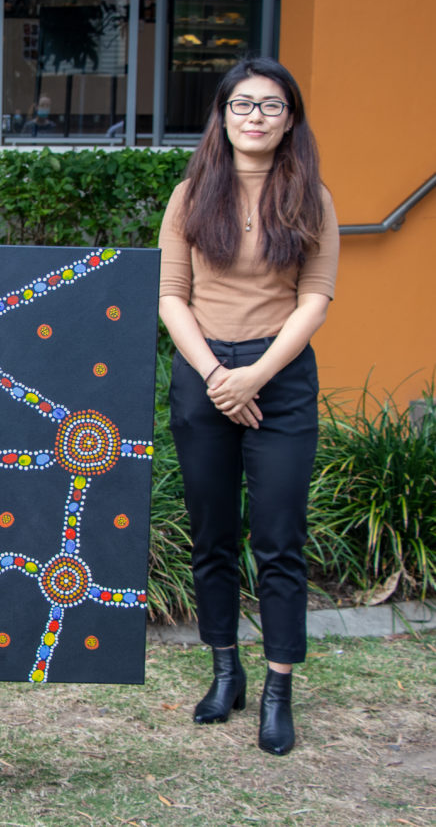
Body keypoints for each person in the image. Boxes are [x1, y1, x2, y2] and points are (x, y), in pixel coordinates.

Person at [157, 57, 338, 755]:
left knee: (279, 539)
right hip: (204, 376)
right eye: (242, 104)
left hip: (280, 377)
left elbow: (314, 299)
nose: (254, 116)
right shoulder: (189, 196)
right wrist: (215, 375)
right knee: (213, 536)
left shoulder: (310, 198)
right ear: (223, 115)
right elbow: (173, 295)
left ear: (289, 118)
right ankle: (224, 673)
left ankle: (277, 689)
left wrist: (255, 375)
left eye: (270, 106)